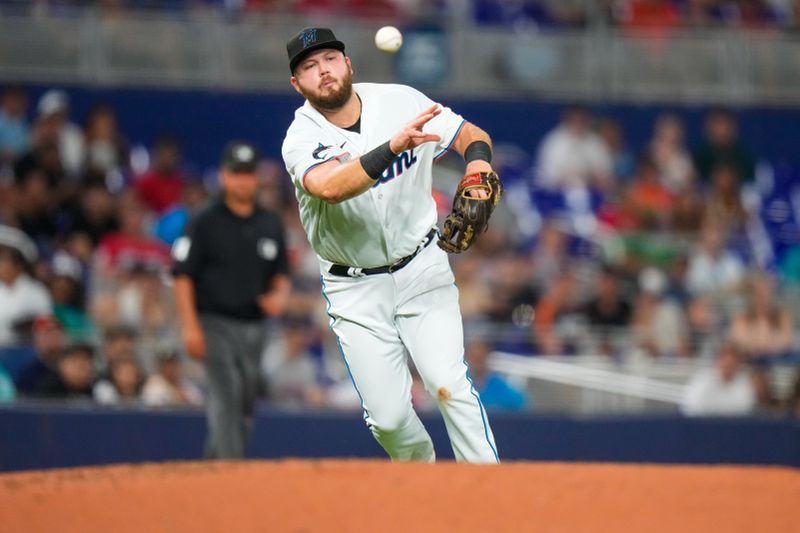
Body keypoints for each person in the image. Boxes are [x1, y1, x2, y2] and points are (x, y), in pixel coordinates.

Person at [281, 27, 499, 463]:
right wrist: (392, 146)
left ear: (348, 64)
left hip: (422, 265)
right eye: (309, 67)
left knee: (448, 385)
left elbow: (469, 134)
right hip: (355, 287)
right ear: (297, 84)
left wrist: (477, 164)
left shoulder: (400, 100)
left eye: (329, 59)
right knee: (390, 420)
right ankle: (424, 488)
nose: (322, 71)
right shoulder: (301, 138)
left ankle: (488, 494)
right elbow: (330, 187)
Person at [173, 140, 291, 458]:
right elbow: (182, 275)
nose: (242, 180)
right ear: (224, 176)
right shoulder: (204, 220)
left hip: (254, 325)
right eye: (236, 173)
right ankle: (231, 469)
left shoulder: (269, 221)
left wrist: (279, 295)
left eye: (248, 173)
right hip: (213, 321)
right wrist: (190, 327)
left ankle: (214, 472)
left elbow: (281, 273)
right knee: (228, 391)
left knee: (247, 397)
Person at [680, 343, 756, 416]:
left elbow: (745, 407)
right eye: (726, 365)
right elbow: (693, 408)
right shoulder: (701, 381)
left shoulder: (745, 383)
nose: (728, 369)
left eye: (732, 365)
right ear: (718, 362)